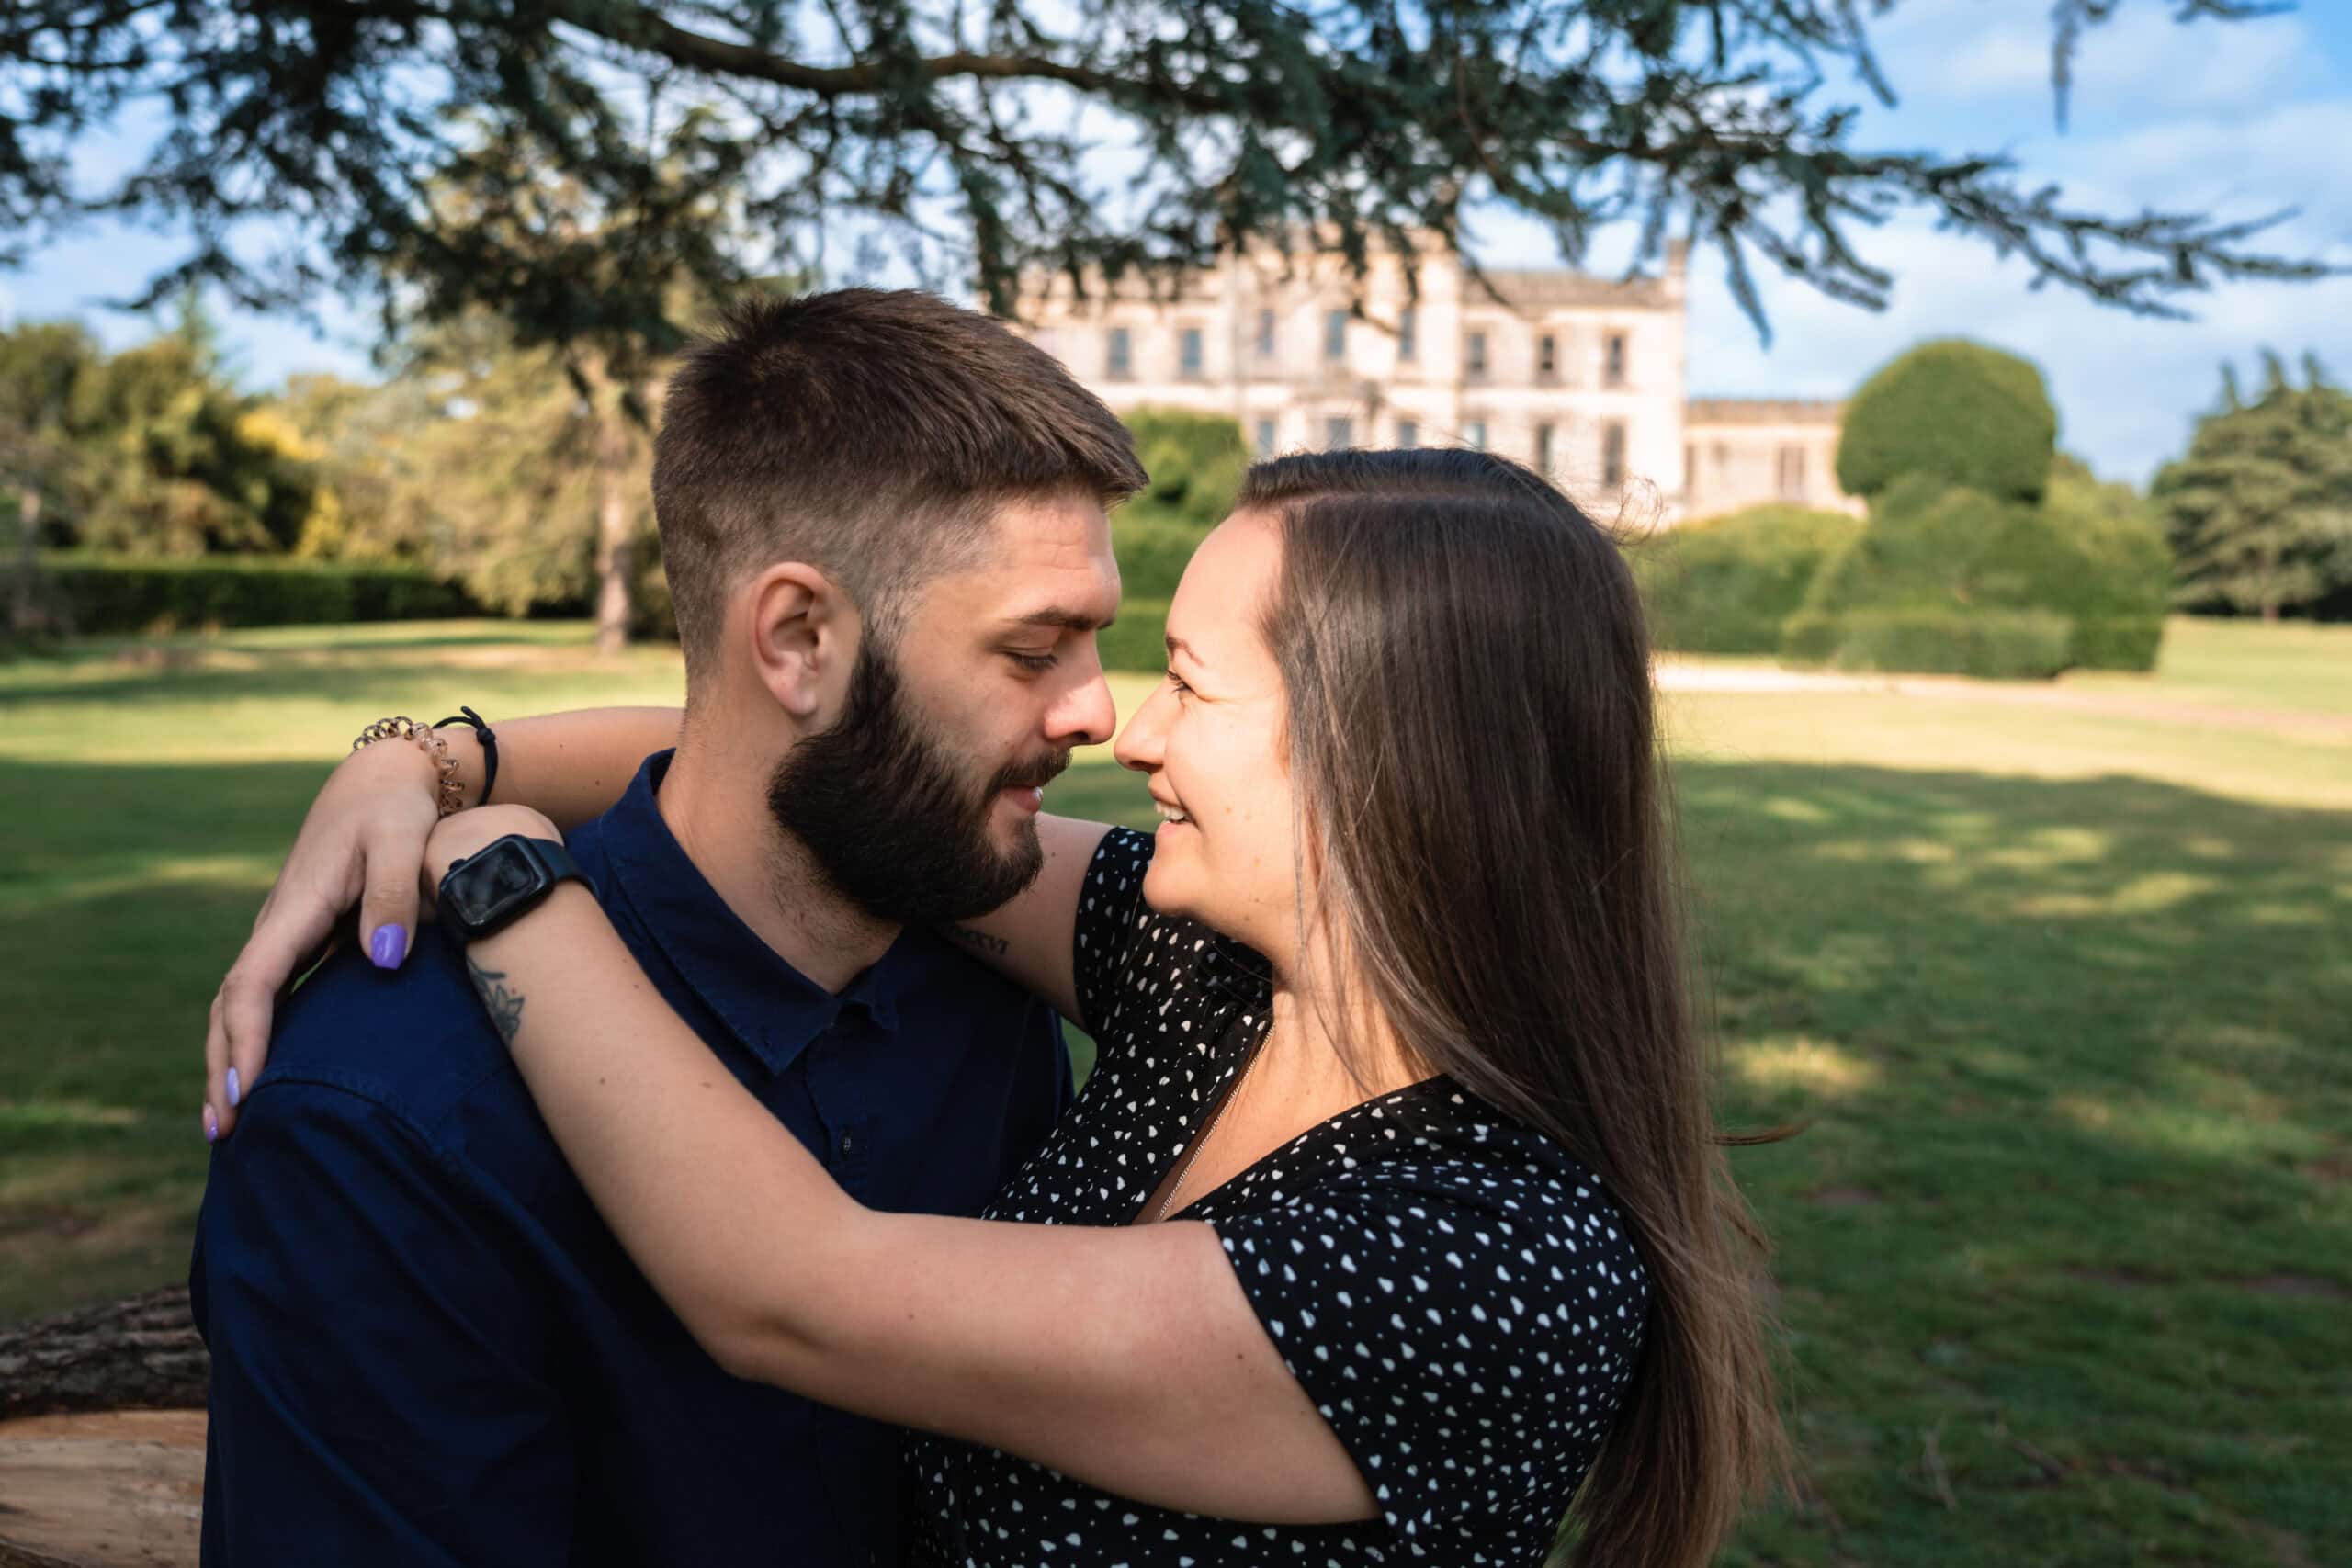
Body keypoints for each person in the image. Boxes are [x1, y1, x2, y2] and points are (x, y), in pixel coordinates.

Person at [211, 445, 1787, 1564]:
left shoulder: (1480, 1257)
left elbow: (787, 1286)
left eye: (1191, 681)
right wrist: (424, 759)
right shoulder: (1214, 979)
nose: (1125, 729)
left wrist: (500, 878)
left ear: (1388, 766)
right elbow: (810, 765)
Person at [188, 288, 1149, 1566]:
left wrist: (447, 764)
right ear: (799, 637)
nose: (1101, 714)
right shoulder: (384, 1123)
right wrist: (432, 765)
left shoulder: (976, 956)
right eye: (1037, 650)